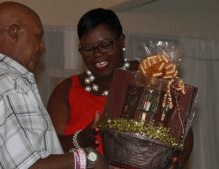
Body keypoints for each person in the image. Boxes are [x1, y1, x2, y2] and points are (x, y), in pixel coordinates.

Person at [0, 2, 110, 169]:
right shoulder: (8, 85)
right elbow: (28, 166)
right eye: (38, 36)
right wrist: (87, 159)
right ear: (14, 33)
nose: (42, 47)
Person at [47, 8, 193, 169]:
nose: (97, 55)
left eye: (105, 45)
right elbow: (49, 146)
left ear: (121, 40)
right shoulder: (66, 91)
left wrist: (175, 164)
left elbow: (182, 132)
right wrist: (80, 139)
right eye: (88, 49)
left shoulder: (149, 76)